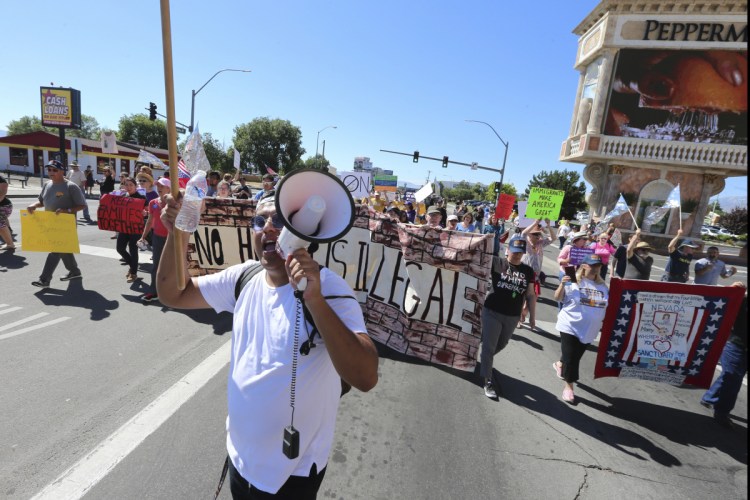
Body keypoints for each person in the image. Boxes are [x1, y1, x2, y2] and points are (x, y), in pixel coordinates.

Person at [156, 190, 378, 497]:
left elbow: (365, 377)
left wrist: (313, 299)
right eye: (260, 221)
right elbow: (172, 294)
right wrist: (177, 235)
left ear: (303, 233)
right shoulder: (243, 278)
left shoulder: (331, 289)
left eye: (280, 220)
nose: (268, 227)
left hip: (292, 474)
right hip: (240, 459)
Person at [480, 236, 536, 399]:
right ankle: (487, 380)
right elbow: (478, 257)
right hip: (492, 311)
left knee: (502, 344)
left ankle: (485, 360)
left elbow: (531, 294)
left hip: (512, 316)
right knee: (489, 347)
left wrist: (532, 316)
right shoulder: (497, 263)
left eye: (520, 252)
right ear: (508, 250)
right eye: (515, 251)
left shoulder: (528, 271)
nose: (517, 255)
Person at [552, 254, 609, 403]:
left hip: (590, 330)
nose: (596, 268)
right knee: (572, 359)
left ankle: (560, 364)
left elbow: (607, 307)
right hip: (570, 325)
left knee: (574, 356)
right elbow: (557, 298)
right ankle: (569, 388)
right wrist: (562, 285)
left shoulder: (603, 286)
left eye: (598, 265)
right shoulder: (573, 280)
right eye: (593, 265)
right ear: (584, 266)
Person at [27, 160, 87, 287]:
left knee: (56, 250)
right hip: (50, 223)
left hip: (65, 225)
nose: (51, 172)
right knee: (63, 249)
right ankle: (74, 271)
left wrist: (67, 210)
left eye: (54, 170)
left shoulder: (71, 186)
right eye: (49, 170)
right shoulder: (47, 184)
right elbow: (41, 201)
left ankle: (44, 279)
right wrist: (34, 205)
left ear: (61, 171)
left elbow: (82, 205)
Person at [700, 282, 747, 429]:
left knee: (730, 376)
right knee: (733, 376)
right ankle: (722, 412)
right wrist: (731, 290)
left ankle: (709, 397)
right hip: (737, 344)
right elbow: (720, 302)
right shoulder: (743, 299)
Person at [138, 178, 171, 303]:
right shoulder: (153, 203)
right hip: (157, 237)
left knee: (172, 266)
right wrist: (143, 236)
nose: (159, 188)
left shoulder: (175, 203)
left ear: (169, 188)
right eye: (158, 186)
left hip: (172, 238)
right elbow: (150, 220)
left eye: (162, 186)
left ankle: (172, 291)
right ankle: (153, 291)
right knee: (156, 265)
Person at [519, 220, 553, 325]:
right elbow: (523, 233)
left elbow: (553, 238)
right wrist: (536, 222)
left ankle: (524, 313)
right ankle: (519, 318)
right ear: (530, 235)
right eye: (535, 234)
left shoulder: (540, 244)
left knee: (532, 299)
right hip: (524, 275)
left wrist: (547, 227)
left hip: (535, 277)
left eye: (538, 234)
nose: (537, 236)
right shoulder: (525, 243)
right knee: (521, 298)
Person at [116, 177, 147, 283]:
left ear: (135, 186)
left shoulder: (141, 198)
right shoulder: (123, 196)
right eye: (126, 185)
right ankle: (133, 266)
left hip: (136, 228)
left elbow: (148, 212)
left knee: (133, 249)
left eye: (131, 185)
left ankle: (133, 273)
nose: (128, 187)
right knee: (120, 248)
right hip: (124, 227)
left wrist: (145, 213)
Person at [0, 173, 15, 252]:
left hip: (4, 206)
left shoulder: (1, 180)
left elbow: (2, 194)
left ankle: (10, 244)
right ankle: (10, 244)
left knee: (1, 225)